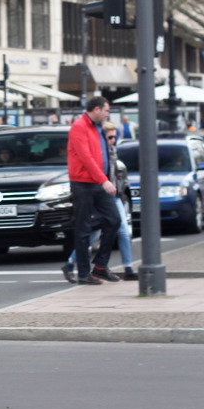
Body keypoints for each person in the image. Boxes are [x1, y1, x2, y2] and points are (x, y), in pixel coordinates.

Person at [63, 122, 136, 282]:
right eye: (109, 137)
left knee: (121, 228)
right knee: (93, 233)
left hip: (111, 195)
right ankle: (73, 264)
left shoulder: (112, 152)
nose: (112, 141)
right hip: (99, 192)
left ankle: (126, 267)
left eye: (115, 137)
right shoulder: (100, 151)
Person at [67, 96, 120, 285]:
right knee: (83, 228)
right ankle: (83, 273)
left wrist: (105, 179)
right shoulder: (80, 126)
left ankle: (100, 266)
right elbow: (86, 157)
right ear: (96, 109)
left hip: (98, 182)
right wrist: (103, 180)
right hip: (83, 183)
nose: (108, 114)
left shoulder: (98, 127)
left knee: (114, 220)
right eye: (106, 110)